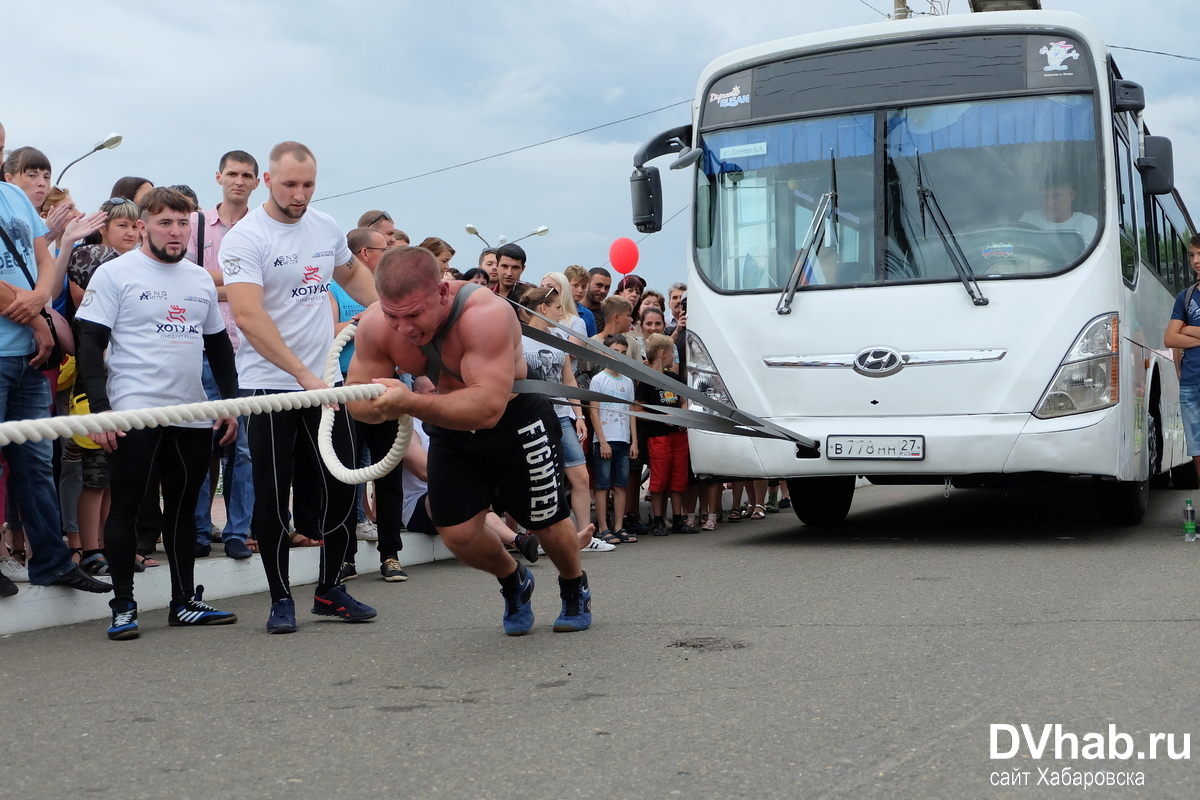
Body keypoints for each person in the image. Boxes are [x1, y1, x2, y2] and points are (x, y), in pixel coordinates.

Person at [346, 245, 595, 635]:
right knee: (457, 532)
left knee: (548, 522)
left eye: (414, 315)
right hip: (449, 425)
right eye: (395, 317)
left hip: (514, 419)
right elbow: (355, 400)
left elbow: (487, 408)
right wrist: (380, 406)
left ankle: (573, 584)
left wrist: (408, 401)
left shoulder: (487, 314)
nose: (406, 329)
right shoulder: (378, 325)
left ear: (442, 292)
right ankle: (514, 580)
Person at [223, 141, 380, 634]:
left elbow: (354, 276)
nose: (300, 194)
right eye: (290, 184)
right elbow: (248, 316)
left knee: (341, 485)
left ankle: (330, 589)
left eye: (308, 184)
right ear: (268, 181)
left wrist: (394, 315)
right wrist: (301, 374)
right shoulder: (246, 239)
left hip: (327, 384)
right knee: (273, 496)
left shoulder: (326, 226)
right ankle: (280, 597)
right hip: (270, 387)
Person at [76, 187, 240, 639]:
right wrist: (101, 410)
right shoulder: (115, 274)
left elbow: (219, 345)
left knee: (185, 511)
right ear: (144, 225)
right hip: (133, 410)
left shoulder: (200, 278)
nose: (175, 232)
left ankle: (184, 601)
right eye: (165, 223)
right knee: (126, 505)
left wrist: (229, 403)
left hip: (189, 411)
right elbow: (90, 343)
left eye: (182, 223)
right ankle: (123, 605)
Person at [0, 133, 111, 596]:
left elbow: (41, 256)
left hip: (26, 352)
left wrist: (41, 300)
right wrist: (28, 306)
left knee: (35, 461)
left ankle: (51, 562)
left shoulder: (11, 197)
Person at [187, 150, 261, 560]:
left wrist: (218, 283)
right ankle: (198, 529)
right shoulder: (197, 224)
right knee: (201, 440)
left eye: (246, 175)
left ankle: (238, 530)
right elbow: (188, 279)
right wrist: (239, 284)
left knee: (244, 448)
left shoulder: (262, 228)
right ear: (219, 176)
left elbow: (264, 284)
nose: (238, 180)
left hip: (248, 352)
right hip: (200, 349)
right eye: (232, 173)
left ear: (256, 182)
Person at [330, 226, 408, 583]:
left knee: (389, 473)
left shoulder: (387, 293)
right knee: (346, 475)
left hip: (384, 391)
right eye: (383, 248)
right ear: (364, 254)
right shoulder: (331, 286)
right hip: (346, 393)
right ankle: (345, 556)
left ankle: (390, 554)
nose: (389, 252)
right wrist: (358, 323)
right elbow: (326, 333)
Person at [636, 334, 696, 536]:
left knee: (679, 478)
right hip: (658, 436)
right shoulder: (646, 380)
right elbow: (637, 410)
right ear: (663, 353)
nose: (673, 356)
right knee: (659, 480)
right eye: (672, 353)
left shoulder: (673, 378)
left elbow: (682, 401)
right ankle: (659, 519)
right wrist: (661, 417)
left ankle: (678, 519)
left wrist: (683, 412)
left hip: (678, 436)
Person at [588, 334, 638, 543]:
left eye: (623, 353)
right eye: (615, 352)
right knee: (602, 485)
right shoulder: (598, 380)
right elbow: (593, 412)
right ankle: (603, 527)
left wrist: (634, 440)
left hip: (623, 439)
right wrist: (602, 441)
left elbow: (632, 412)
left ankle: (619, 526)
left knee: (621, 485)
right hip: (605, 440)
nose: (619, 357)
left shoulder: (627, 382)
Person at [1165, 235, 1200, 483]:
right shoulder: (1185, 297)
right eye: (1191, 255)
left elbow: (1179, 335)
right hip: (1190, 384)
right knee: (1197, 450)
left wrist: (1188, 330)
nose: (1196, 261)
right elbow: (1169, 339)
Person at [1019, 177, 1098, 244]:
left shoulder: (1087, 224)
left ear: (1071, 195)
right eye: (1045, 197)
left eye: (1056, 196)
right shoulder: (1029, 219)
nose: (1050, 203)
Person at [563, 265, 596, 336]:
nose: (580, 290)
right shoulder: (555, 309)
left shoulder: (588, 315)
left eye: (583, 287)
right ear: (565, 284)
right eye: (575, 285)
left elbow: (592, 343)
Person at [581, 267, 611, 332]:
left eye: (607, 287)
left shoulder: (609, 315)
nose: (603, 291)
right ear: (587, 284)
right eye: (599, 285)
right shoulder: (573, 309)